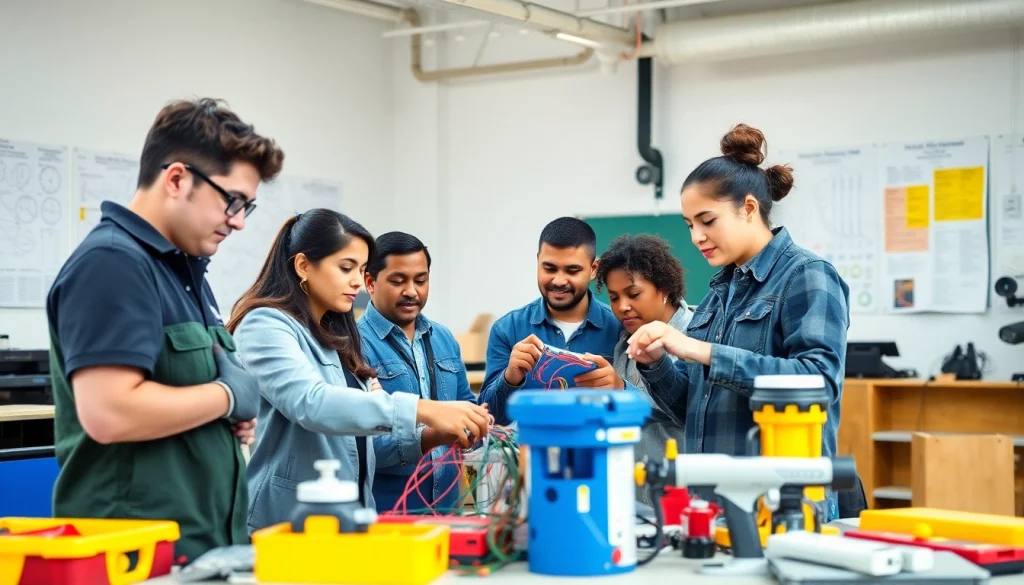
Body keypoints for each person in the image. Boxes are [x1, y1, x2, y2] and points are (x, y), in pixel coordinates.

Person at [46, 98, 281, 563]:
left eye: (247, 208)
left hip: (200, 546)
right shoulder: (112, 264)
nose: (238, 221)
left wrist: (221, 418)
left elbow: (180, 391)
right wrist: (225, 397)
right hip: (134, 556)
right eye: (232, 200)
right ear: (176, 179)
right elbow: (110, 413)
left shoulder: (183, 271)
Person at [626, 124, 850, 521]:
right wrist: (656, 363)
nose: (696, 237)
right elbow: (691, 410)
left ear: (748, 208)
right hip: (711, 505)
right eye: (690, 225)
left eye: (707, 220)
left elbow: (819, 382)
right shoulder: (719, 292)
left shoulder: (807, 275)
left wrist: (701, 350)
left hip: (781, 506)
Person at [228, 210, 490, 531]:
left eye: (361, 269)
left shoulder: (335, 334)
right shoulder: (265, 324)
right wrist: (423, 409)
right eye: (346, 267)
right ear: (303, 266)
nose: (357, 281)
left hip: (347, 517)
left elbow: (360, 434)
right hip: (286, 524)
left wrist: (435, 435)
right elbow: (312, 402)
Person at [359, 232, 479, 513]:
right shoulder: (353, 344)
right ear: (370, 282)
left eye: (421, 280)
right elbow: (359, 446)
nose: (412, 291)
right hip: (390, 518)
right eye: (398, 281)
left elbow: (466, 405)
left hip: (449, 512)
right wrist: (431, 436)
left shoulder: (444, 338)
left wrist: (476, 421)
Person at [478, 217, 624, 425]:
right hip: (530, 445)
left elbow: (645, 412)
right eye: (549, 268)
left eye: (572, 271)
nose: (559, 281)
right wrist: (510, 378)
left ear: (593, 269)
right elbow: (488, 418)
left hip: (597, 444)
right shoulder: (508, 329)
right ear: (538, 261)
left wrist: (619, 387)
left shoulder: (620, 328)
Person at [595, 233, 691, 505]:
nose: (622, 307)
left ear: (664, 288)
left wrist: (622, 390)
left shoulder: (695, 336)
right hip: (632, 499)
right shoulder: (623, 343)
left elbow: (684, 408)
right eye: (614, 298)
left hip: (680, 498)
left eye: (633, 294)